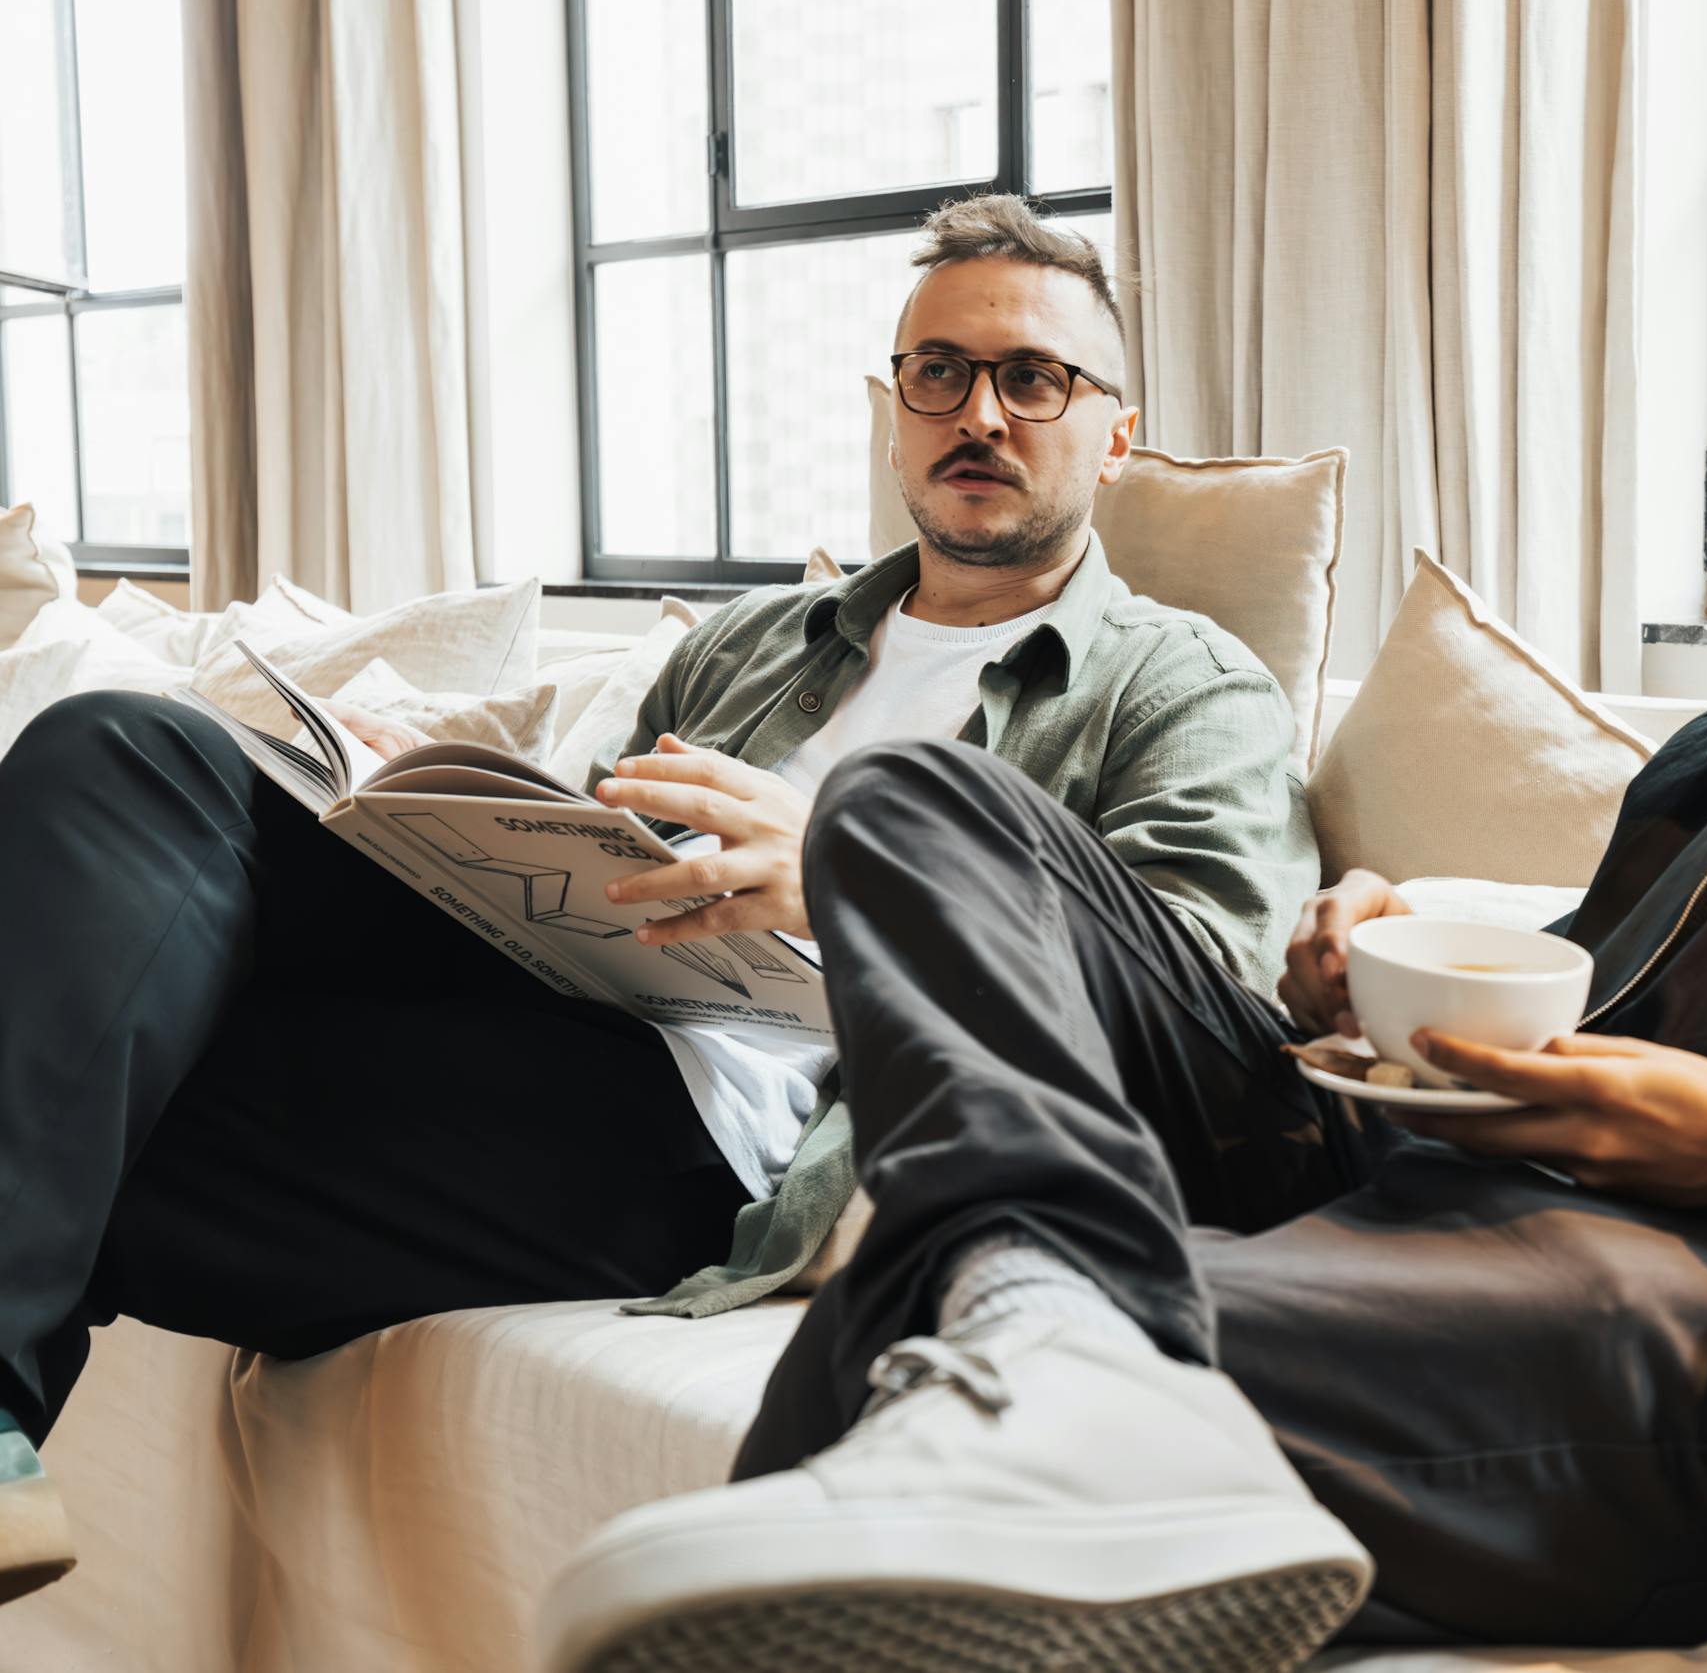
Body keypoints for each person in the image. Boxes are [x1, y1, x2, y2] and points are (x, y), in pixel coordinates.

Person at [535, 189, 1707, 1673]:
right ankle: (1056, 1314)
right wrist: (1354, 972)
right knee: (913, 803)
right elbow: (1576, 988)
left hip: (1705, 1321)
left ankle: (1047, 1332)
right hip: (1406, 1175)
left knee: (931, 1307)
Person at [0, 196, 1313, 1607]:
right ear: (896, 411)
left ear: (1114, 434)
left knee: (81, 1110)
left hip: (736, 1133)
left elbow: (1200, 1009)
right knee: (122, 748)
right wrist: (419, 801)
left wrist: (857, 873)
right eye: (938, 371)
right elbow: (582, 836)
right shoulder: (753, 646)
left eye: (1033, 376)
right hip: (562, 999)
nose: (977, 411)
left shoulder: (1184, 686)